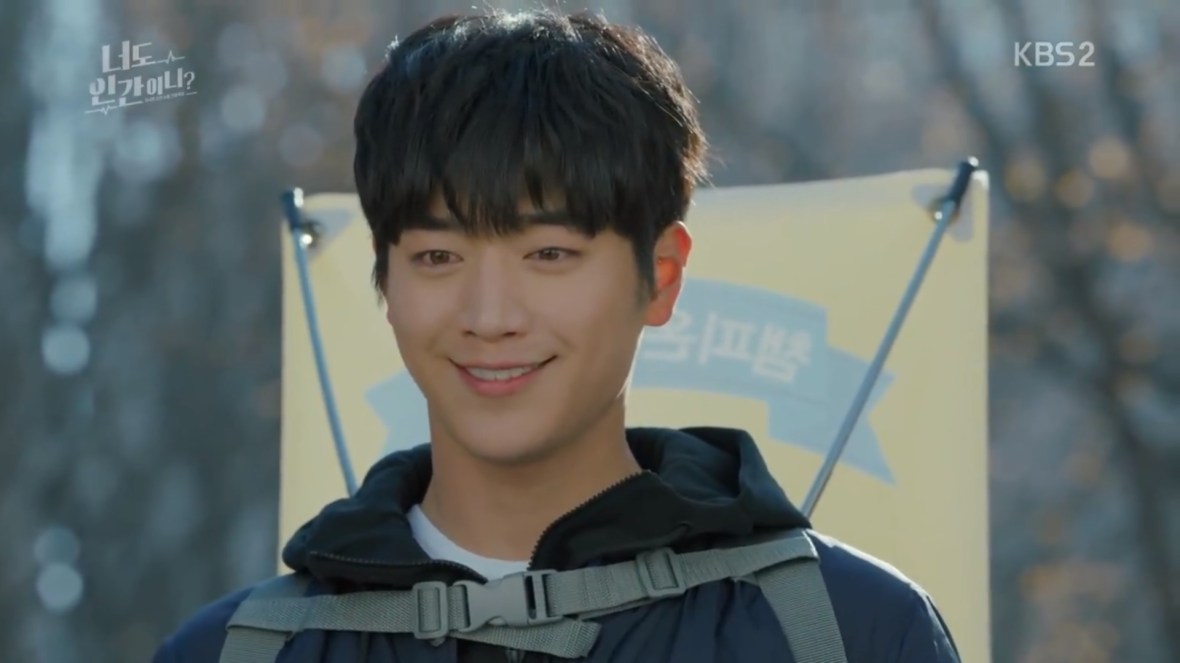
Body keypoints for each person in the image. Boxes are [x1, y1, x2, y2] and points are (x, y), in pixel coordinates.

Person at [153, 9, 961, 663]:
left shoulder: (852, 631)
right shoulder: (232, 651)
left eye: (549, 254)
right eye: (437, 256)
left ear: (661, 275)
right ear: (386, 280)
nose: (490, 314)